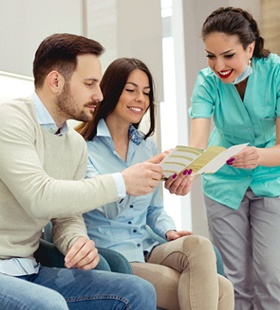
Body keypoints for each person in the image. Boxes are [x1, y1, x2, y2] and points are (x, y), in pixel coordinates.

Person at [0, 33, 165, 309]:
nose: (99, 95)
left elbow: (66, 218)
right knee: (49, 305)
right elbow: (40, 197)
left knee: (138, 292)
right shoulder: (11, 120)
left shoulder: (74, 144)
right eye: (89, 84)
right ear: (55, 81)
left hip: (30, 268)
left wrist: (76, 241)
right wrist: (122, 182)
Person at [76, 57, 234, 310]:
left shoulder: (146, 145)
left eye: (146, 93)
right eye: (131, 90)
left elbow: (154, 210)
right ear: (111, 91)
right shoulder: (82, 148)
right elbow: (107, 207)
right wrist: (142, 173)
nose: (140, 98)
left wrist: (169, 232)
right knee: (220, 290)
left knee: (199, 245)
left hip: (148, 247)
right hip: (115, 256)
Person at [187, 6, 280, 310]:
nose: (219, 66)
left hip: (271, 178)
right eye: (211, 56)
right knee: (233, 280)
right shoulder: (207, 81)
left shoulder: (276, 73)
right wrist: (185, 171)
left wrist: (259, 156)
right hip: (224, 183)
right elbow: (198, 142)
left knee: (271, 276)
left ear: (250, 47)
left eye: (228, 55)